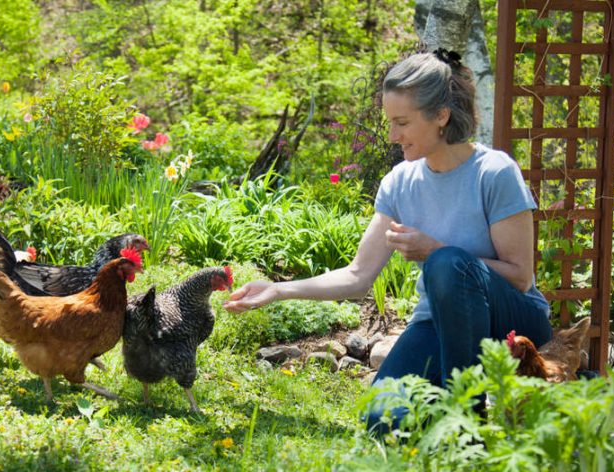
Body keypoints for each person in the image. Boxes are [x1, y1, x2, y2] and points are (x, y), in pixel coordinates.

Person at [223, 49, 552, 434]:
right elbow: (358, 275)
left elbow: (519, 276)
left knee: (446, 265)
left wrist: (435, 251)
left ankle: (465, 426)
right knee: (381, 420)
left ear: (441, 116)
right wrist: (277, 290)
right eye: (389, 123)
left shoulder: (494, 172)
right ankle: (443, 414)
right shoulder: (401, 181)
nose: (393, 136)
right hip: (438, 323)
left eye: (402, 123)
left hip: (514, 322)